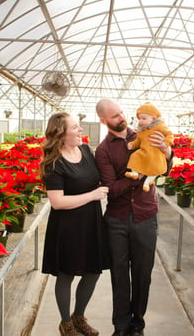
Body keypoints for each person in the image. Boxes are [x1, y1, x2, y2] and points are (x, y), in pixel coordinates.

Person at [95, 99, 173, 336]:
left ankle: (138, 324)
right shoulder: (103, 150)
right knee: (119, 276)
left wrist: (167, 151)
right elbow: (111, 188)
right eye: (115, 116)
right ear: (104, 120)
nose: (122, 118)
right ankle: (120, 326)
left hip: (145, 216)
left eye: (121, 113)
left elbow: (165, 169)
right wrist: (137, 177)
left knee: (142, 274)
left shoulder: (147, 134)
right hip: (117, 219)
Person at [39, 112, 110, 336]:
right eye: (76, 128)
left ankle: (78, 316)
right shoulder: (53, 163)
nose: (81, 131)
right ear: (61, 135)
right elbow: (57, 202)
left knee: (92, 272)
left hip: (90, 222)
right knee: (66, 274)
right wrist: (92, 195)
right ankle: (65, 322)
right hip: (67, 226)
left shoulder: (86, 151)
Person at [125, 102, 174, 192]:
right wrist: (132, 145)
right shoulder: (142, 131)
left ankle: (147, 183)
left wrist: (165, 144)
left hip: (156, 154)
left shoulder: (160, 127)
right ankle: (134, 173)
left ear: (153, 118)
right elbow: (138, 140)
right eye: (139, 118)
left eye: (144, 118)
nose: (140, 121)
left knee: (155, 168)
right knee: (135, 156)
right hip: (144, 152)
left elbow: (170, 134)